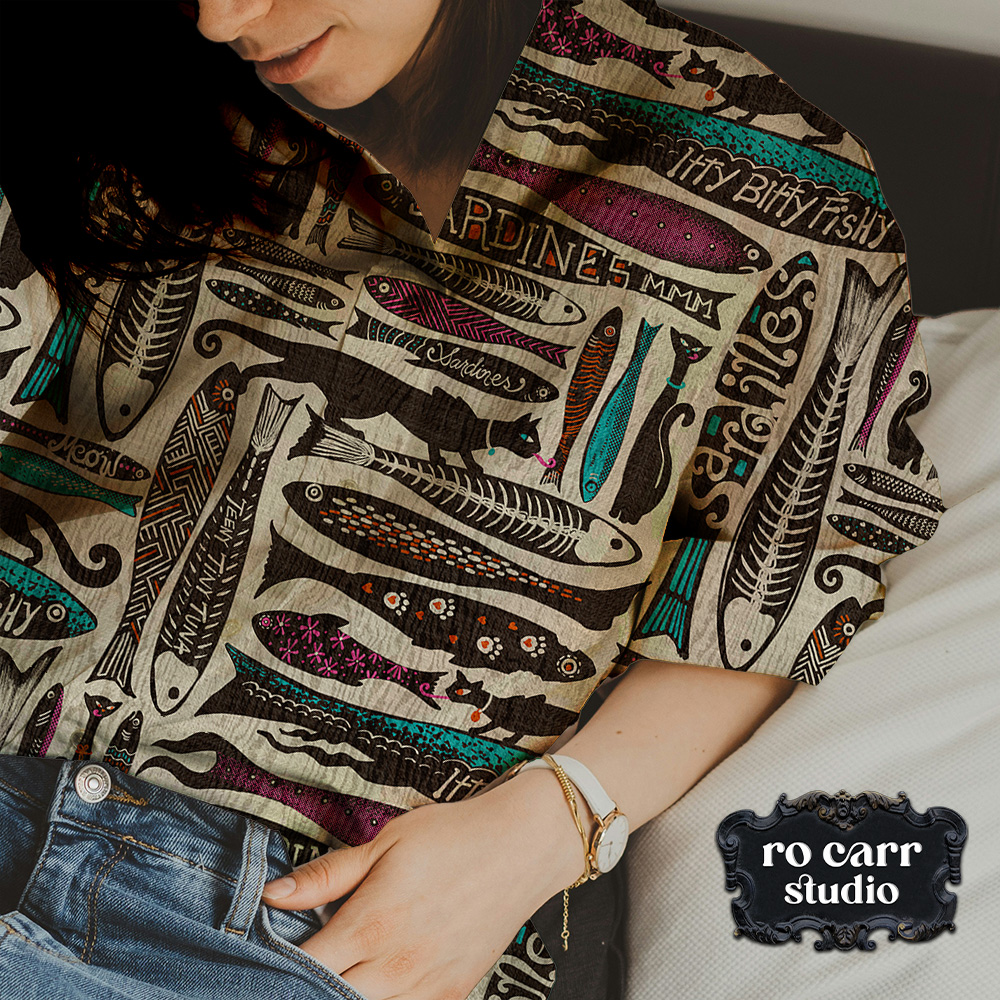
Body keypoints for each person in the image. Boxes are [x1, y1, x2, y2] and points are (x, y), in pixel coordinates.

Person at [0, 2, 942, 1000]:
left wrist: (548, 825)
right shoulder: (112, 91)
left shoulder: (777, 178)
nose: (225, 17)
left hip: (317, 922)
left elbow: (770, 592)